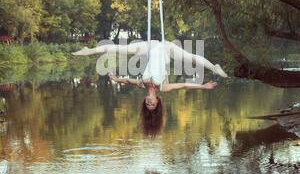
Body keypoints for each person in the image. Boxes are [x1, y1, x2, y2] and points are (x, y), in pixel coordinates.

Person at [72, 40, 227, 137]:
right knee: (189, 58)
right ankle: (214, 68)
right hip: (166, 49)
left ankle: (89, 51)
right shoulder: (164, 87)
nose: (149, 102)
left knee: (121, 49)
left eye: (147, 104)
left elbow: (128, 81)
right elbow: (184, 85)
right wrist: (203, 87)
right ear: (157, 102)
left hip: (149, 46)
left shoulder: (142, 84)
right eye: (152, 104)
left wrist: (117, 79)